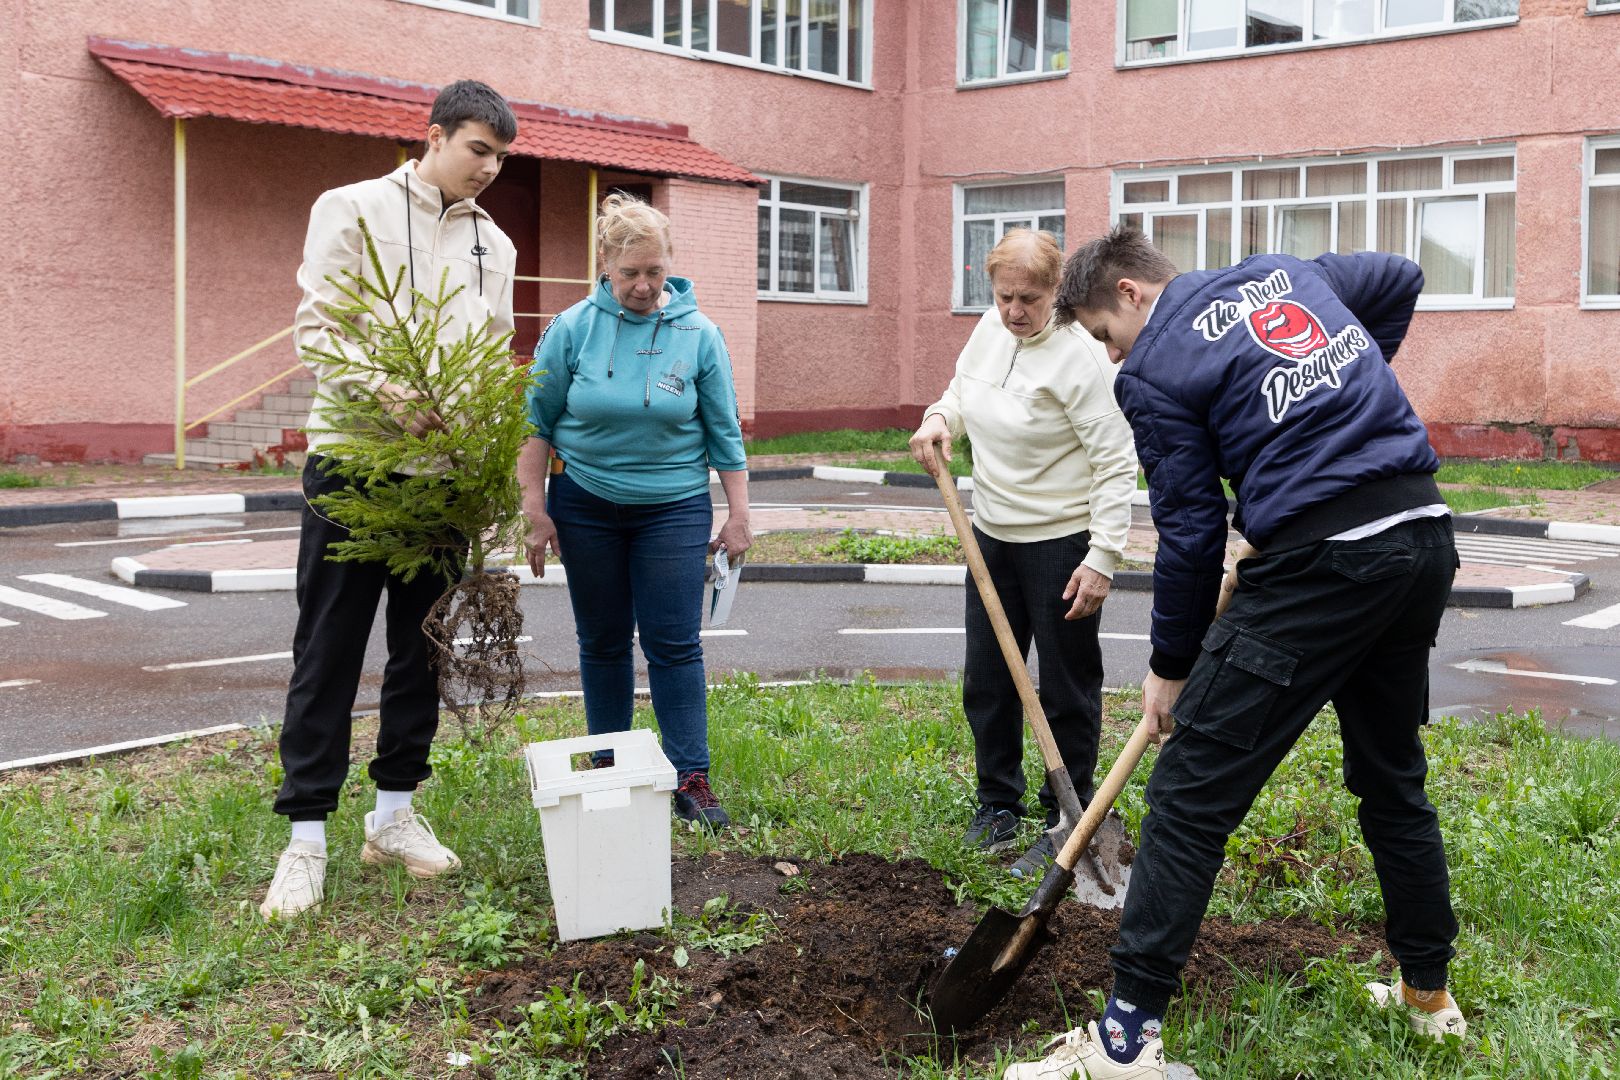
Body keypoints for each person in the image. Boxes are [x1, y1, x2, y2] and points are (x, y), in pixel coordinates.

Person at [1003, 227, 1464, 1080]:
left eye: (1105, 334)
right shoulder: (1285, 273)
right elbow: (1399, 277)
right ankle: (1428, 997)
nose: (1112, 357)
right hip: (1421, 538)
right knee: (1391, 774)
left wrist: (1169, 667)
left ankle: (1125, 1045)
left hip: (1323, 567)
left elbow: (1187, 531)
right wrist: (1341, 407)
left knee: (1187, 795)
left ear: (1131, 293)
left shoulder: (1153, 370)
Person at [259, 81, 519, 920]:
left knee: (423, 653)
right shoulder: (352, 208)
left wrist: (482, 463)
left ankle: (394, 816)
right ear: (435, 136)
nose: (489, 167)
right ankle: (305, 840)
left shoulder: (495, 246)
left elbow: (493, 358)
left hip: (442, 480)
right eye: (478, 149)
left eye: (501, 157)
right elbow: (318, 328)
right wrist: (387, 391)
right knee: (328, 650)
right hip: (355, 465)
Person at [908, 229, 1138, 879]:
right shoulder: (990, 330)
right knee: (988, 678)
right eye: (1004, 296)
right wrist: (939, 418)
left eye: (1029, 300)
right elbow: (961, 392)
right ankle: (997, 804)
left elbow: (1117, 464)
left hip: (1062, 543)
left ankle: (1067, 812)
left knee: (1065, 685)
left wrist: (1103, 557)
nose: (1014, 311)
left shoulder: (1081, 356)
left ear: (1055, 291)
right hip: (991, 534)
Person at [518, 193, 750, 830]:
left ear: (669, 264)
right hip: (585, 504)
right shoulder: (572, 329)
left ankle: (691, 777)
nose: (644, 285)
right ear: (604, 264)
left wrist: (738, 514)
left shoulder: (699, 335)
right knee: (602, 641)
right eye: (629, 273)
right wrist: (535, 508)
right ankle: (610, 767)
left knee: (675, 643)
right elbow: (535, 423)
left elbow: (724, 430)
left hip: (672, 507)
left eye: (654, 271)